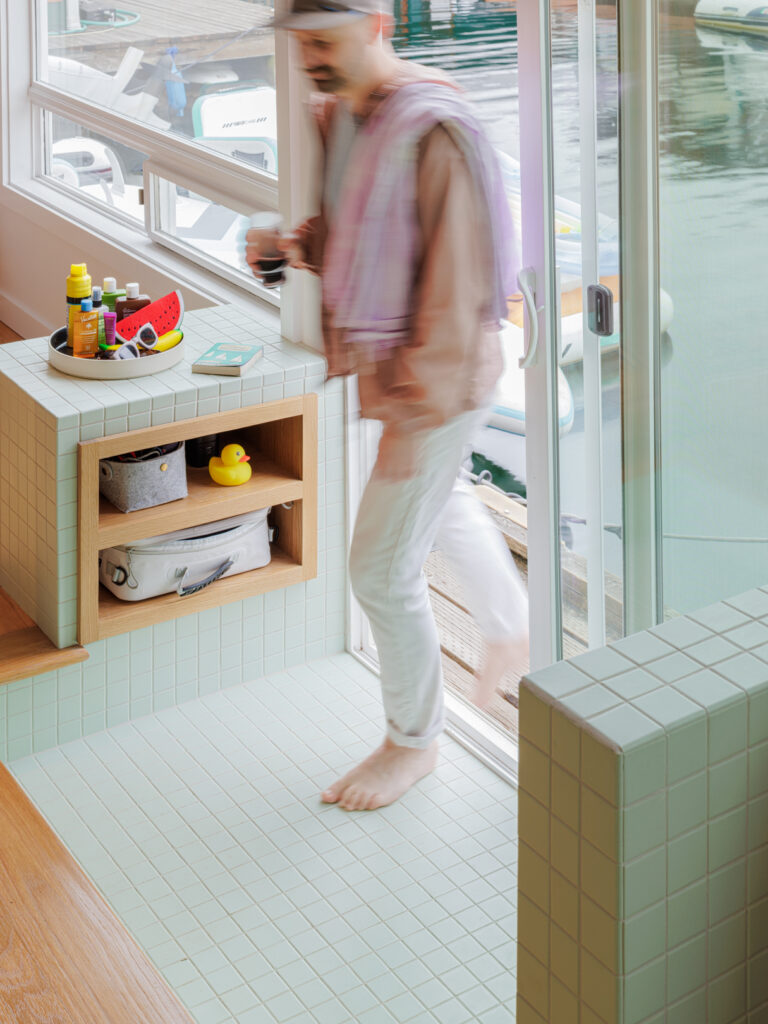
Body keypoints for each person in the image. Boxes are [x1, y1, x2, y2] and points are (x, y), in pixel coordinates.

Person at [245, 0, 529, 811]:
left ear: (376, 25)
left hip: (437, 379)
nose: (308, 57)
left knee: (377, 567)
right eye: (299, 42)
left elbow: (456, 292)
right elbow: (358, 230)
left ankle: (414, 743)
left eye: (322, 40)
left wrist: (412, 418)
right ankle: (511, 627)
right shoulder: (344, 114)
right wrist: (293, 245)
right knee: (439, 501)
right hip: (401, 368)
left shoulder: (433, 131)